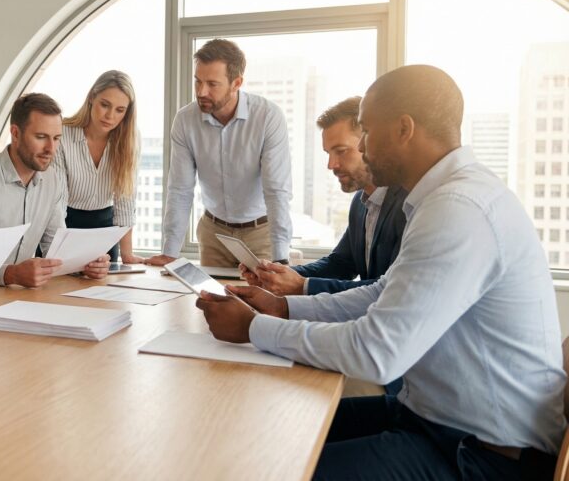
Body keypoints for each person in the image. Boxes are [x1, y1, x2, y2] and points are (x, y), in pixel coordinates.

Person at [196, 65, 565, 480]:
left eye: (368, 133)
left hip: (481, 455)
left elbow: (376, 353)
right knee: (271, 427)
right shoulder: (446, 198)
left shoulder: (459, 209)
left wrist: (254, 329)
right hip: (431, 419)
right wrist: (283, 307)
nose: (364, 148)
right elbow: (381, 293)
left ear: (404, 129)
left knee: (275, 468)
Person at [145, 39, 292, 268]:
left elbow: (276, 191)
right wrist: (170, 252)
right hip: (214, 233)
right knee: (212, 301)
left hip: (260, 233)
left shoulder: (267, 117)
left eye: (212, 84)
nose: (201, 92)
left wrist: (281, 256)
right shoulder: (185, 120)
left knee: (262, 302)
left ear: (236, 83)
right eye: (198, 82)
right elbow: (180, 190)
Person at [240, 96, 407, 297]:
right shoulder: (360, 203)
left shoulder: (407, 205)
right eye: (328, 153)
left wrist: (302, 286)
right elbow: (341, 264)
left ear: (368, 141)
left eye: (341, 151)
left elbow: (388, 289)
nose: (331, 165)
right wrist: (280, 275)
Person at [0, 93, 110, 288]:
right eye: (41, 137)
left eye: (56, 138)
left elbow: (55, 248)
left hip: (20, 297)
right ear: (15, 134)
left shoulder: (52, 181)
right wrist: (11, 274)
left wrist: (86, 264)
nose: (51, 148)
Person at [54, 70, 141, 264]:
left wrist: (127, 256)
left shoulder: (130, 141)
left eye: (120, 110)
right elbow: (57, 202)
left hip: (105, 231)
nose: (110, 116)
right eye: (105, 105)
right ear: (92, 97)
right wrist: (59, 252)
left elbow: (125, 203)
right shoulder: (62, 134)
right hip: (63, 228)